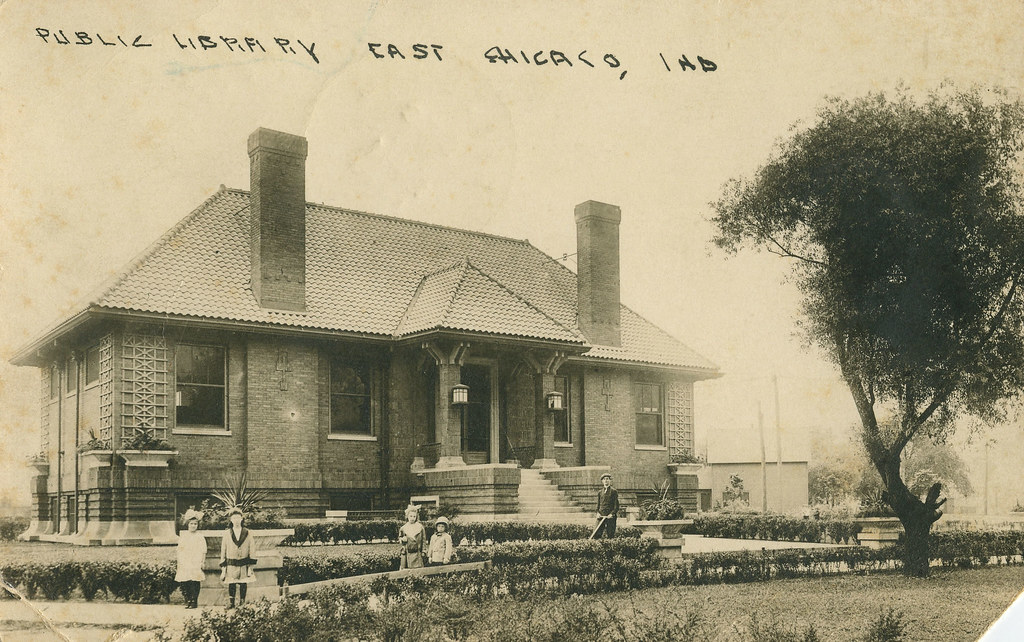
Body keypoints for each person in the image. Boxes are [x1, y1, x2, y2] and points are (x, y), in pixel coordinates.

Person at [219, 506, 256, 608]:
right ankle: (231, 603)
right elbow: (223, 550)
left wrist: (251, 567)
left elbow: (251, 548)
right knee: (232, 583)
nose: (236, 520)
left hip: (243, 563)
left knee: (243, 583)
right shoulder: (227, 533)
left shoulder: (247, 532)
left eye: (238, 517)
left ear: (242, 519)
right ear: (231, 520)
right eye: (234, 518)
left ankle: (242, 602)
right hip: (231, 563)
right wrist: (223, 568)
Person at [174, 509, 207, 609]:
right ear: (188, 524)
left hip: (196, 561)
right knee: (186, 581)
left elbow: (203, 550)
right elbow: (180, 550)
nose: (193, 526)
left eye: (195, 524)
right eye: (191, 524)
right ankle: (188, 599)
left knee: (195, 581)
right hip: (186, 561)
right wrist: (180, 561)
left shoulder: (200, 537)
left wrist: (202, 562)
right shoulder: (184, 536)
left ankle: (194, 601)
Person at [398, 504, 426, 569]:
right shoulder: (404, 528)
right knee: (406, 570)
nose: (412, 518)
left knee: (418, 570)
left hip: (417, 553)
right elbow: (400, 538)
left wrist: (424, 551)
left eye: (414, 516)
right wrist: (402, 539)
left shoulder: (420, 527)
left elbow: (423, 540)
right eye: (410, 516)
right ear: (407, 516)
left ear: (416, 517)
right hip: (407, 553)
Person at [594, 472, 619, 538]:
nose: (606, 481)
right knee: (596, 533)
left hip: (610, 516)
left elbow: (616, 506)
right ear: (602, 481)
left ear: (610, 481)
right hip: (601, 515)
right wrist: (597, 513)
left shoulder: (614, 491)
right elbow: (598, 504)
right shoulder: (600, 492)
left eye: (607, 479)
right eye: (604, 479)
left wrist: (612, 514)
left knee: (610, 534)